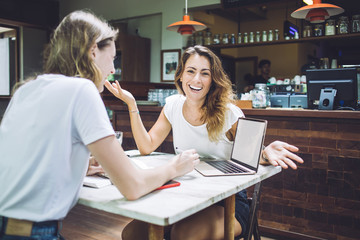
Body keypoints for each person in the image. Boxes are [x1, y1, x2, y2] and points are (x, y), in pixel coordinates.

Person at [0, 10, 199, 239]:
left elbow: (27, 161)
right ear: (93, 50)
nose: (113, 70)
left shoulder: (27, 89)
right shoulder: (82, 90)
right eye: (112, 57)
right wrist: (175, 167)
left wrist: (83, 165)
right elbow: (132, 186)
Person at [105, 45, 304, 240]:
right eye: (191, 71)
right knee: (132, 234)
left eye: (205, 73)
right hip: (187, 195)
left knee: (185, 235)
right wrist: (131, 103)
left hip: (228, 202)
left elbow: (251, 155)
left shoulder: (229, 112)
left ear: (213, 80)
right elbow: (146, 146)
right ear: (181, 75)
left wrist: (265, 152)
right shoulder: (173, 105)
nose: (197, 80)